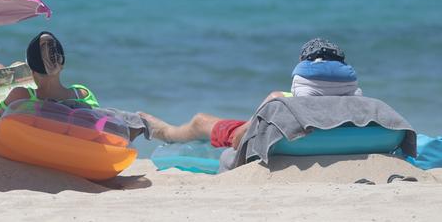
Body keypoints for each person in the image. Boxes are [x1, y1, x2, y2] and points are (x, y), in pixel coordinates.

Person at [139, 38, 361, 150]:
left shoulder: (280, 101)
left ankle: (167, 133)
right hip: (325, 134)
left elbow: (238, 141)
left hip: (275, 134)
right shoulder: (359, 105)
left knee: (200, 121)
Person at [0, 31, 98, 149]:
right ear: (61, 63)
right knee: (15, 65)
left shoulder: (20, 96)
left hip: (21, 150)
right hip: (66, 147)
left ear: (30, 71)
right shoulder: (82, 94)